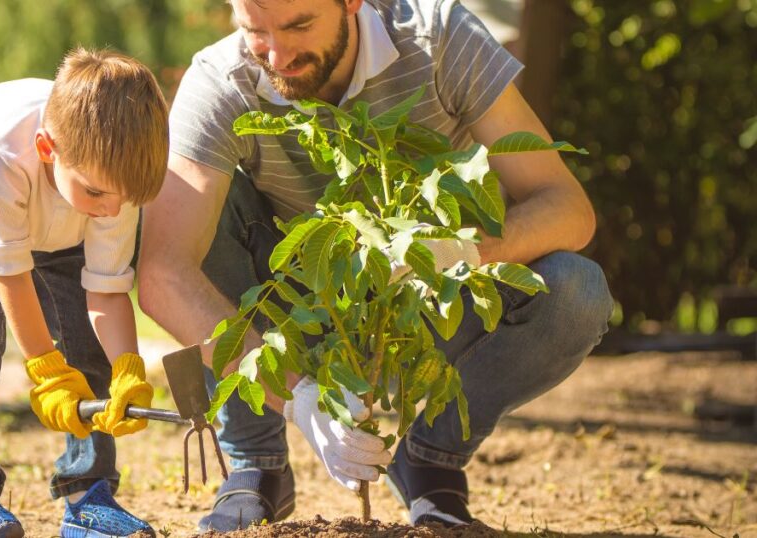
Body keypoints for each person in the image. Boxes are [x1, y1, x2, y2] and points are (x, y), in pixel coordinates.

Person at [138, 0, 613, 531]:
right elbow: (164, 274)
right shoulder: (222, 80)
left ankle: (430, 461)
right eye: (255, 31)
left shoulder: (439, 39)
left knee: (578, 291)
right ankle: (256, 464)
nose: (277, 54)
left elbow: (567, 207)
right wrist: (298, 397)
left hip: (426, 307)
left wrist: (462, 251)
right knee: (196, 196)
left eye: (298, 26)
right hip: (299, 320)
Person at [0, 48, 168, 538]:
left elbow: (107, 289)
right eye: (99, 193)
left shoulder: (110, 185)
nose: (111, 209)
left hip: (62, 224)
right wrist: (47, 371)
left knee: (89, 346)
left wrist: (127, 367)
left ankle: (88, 494)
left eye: (124, 198)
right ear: (47, 149)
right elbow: (10, 271)